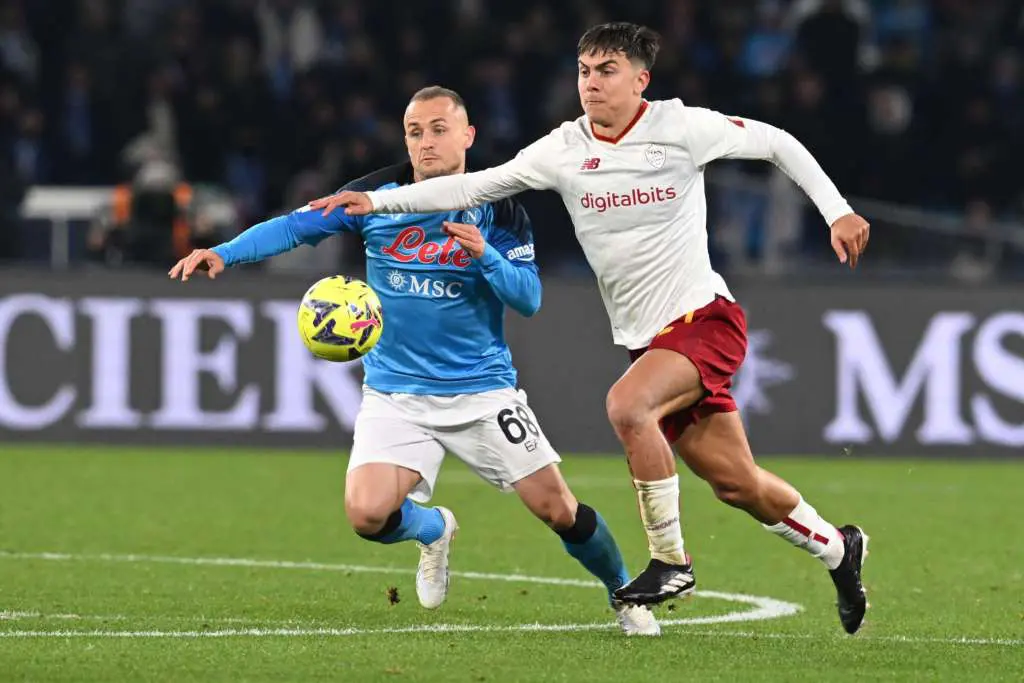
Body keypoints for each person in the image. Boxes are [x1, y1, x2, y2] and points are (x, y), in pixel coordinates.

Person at [308, 24, 873, 634]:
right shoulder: (563, 149)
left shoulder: (682, 127)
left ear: (640, 80)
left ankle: (671, 561)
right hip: (648, 341)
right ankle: (839, 549)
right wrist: (376, 202)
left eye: (607, 71)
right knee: (737, 483)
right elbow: (473, 185)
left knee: (628, 406)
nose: (591, 83)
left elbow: (777, 143)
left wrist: (837, 211)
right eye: (584, 71)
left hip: (703, 318)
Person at [167, 86, 660, 637]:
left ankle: (626, 593)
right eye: (415, 132)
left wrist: (485, 255)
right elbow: (294, 226)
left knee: (559, 510)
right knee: (366, 514)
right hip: (396, 393)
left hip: (482, 392)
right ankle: (432, 529)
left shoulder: (498, 206)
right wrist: (223, 253)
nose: (425, 142)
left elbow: (528, 298)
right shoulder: (373, 197)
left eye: (438, 130)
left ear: (467, 136)